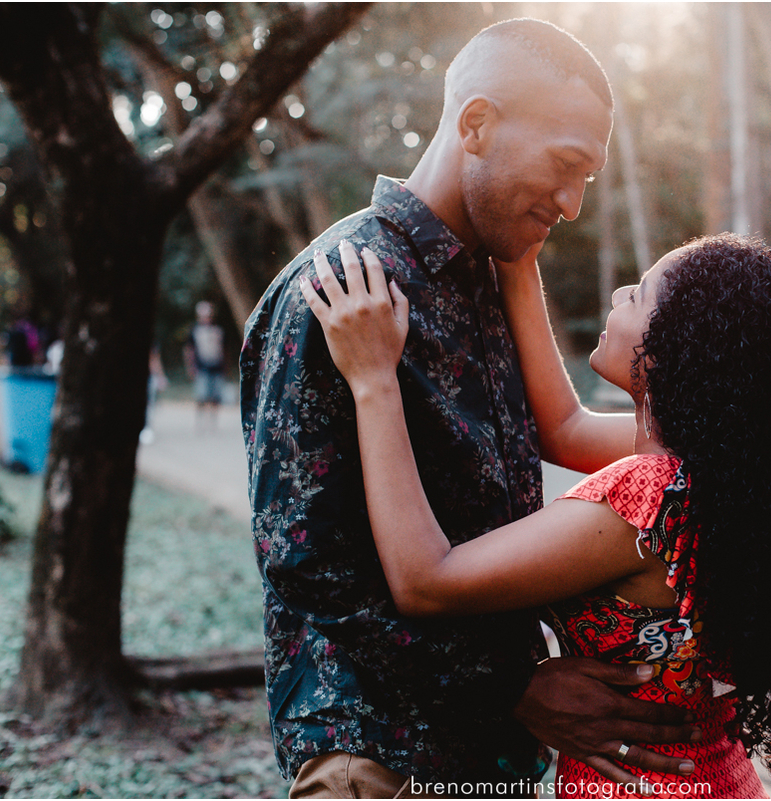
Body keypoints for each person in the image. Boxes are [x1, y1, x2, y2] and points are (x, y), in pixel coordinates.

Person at [240, 18, 695, 799]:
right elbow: (309, 565)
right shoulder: (346, 286)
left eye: (587, 179)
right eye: (566, 165)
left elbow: (551, 443)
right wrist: (511, 685)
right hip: (382, 757)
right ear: (476, 124)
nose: (572, 204)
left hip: (492, 757)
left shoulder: (494, 278)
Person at [301, 233, 771, 798]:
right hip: (718, 777)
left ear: (677, 347)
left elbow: (426, 581)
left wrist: (373, 379)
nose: (619, 294)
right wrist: (518, 262)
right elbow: (564, 429)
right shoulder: (725, 467)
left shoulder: (646, 495)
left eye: (638, 294)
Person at [187, 300, 225, 433]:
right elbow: (190, 350)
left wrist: (225, 366)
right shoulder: (195, 330)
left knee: (215, 397)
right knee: (201, 396)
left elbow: (224, 349)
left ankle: (213, 422)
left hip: (217, 367)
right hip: (202, 367)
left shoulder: (218, 330)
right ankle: (199, 423)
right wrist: (191, 366)